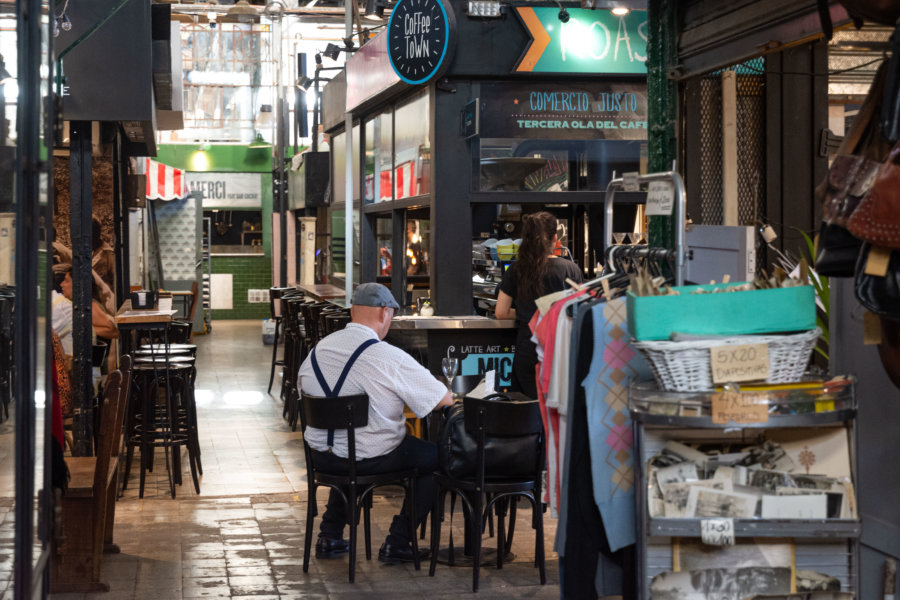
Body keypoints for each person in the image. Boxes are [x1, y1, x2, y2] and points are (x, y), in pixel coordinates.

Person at [297, 282, 453, 564]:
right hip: (370, 458)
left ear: (353, 312)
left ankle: (329, 536)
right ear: (385, 314)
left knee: (347, 445)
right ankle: (399, 541)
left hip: (321, 458)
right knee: (438, 459)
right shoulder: (387, 356)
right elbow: (444, 400)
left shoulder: (317, 351)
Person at [495, 211, 583, 399]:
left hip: (528, 351)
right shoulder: (570, 269)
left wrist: (525, 313)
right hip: (561, 351)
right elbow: (579, 312)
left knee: (530, 414)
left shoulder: (517, 269)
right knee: (559, 415)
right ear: (554, 238)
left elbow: (501, 312)